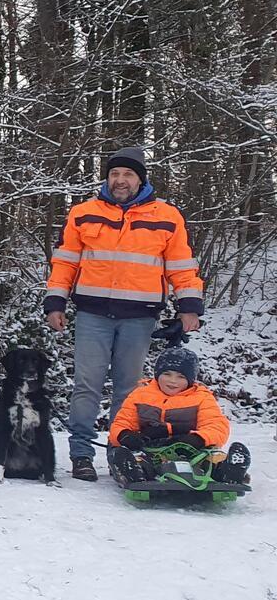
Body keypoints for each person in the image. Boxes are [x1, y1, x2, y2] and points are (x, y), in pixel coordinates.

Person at [46, 147, 205, 481]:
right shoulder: (84, 213)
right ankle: (81, 456)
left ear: (141, 179)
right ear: (107, 178)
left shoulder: (167, 216)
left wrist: (189, 306)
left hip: (140, 316)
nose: (120, 180)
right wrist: (55, 302)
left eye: (128, 175)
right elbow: (65, 263)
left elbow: (181, 267)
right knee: (86, 385)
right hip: (92, 314)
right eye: (115, 174)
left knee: (129, 390)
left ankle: (122, 454)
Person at [108, 346, 250, 484]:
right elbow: (121, 422)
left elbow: (216, 425)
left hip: (190, 449)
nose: (173, 381)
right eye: (167, 374)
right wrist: (124, 435)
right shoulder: (140, 395)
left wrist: (199, 438)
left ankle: (227, 471)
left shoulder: (201, 397)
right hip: (150, 448)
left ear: (190, 379)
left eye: (181, 376)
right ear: (157, 375)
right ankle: (135, 473)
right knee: (132, 456)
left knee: (212, 457)